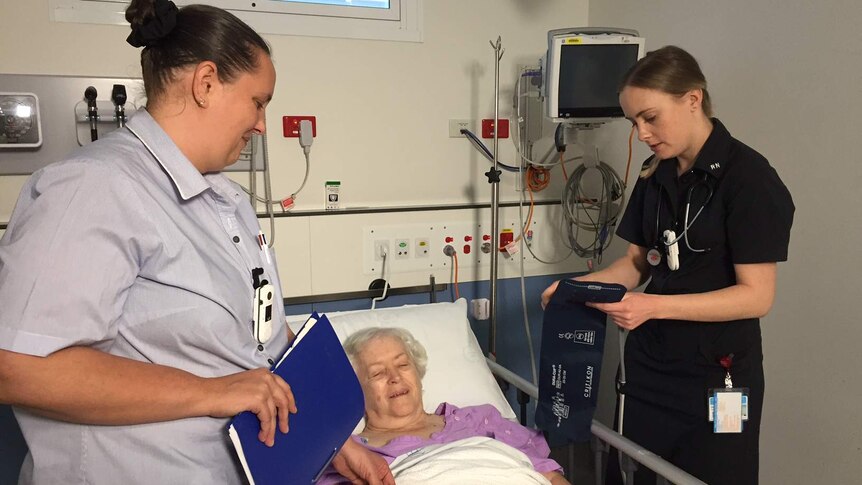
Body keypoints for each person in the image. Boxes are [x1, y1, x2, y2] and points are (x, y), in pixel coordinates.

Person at [0, 2, 393, 484]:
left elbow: (261, 342)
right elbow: (18, 368)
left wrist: (333, 441)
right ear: (206, 83)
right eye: (259, 102)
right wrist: (214, 391)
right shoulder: (92, 188)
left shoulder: (227, 201)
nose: (262, 124)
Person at [542, 45, 794, 484]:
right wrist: (578, 287)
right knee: (634, 473)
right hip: (649, 369)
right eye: (634, 121)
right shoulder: (654, 173)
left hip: (718, 376)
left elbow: (758, 297)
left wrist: (651, 307)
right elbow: (637, 263)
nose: (641, 132)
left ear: (692, 99)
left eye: (650, 117)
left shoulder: (749, 180)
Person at [318, 327, 571, 485]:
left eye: (403, 365)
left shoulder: (479, 418)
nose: (394, 377)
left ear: (417, 371)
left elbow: (546, 473)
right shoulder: (349, 453)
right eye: (377, 373)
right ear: (354, 389)